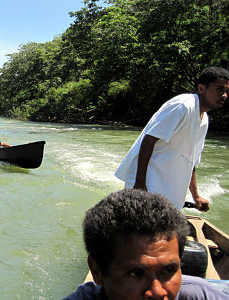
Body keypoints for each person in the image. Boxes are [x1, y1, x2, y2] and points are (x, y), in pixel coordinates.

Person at [64, 189, 228, 300]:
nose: (158, 292)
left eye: (169, 271)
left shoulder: (201, 295)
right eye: (135, 274)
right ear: (97, 271)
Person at [115, 66, 229, 211]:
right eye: (219, 89)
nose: (224, 95)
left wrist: (196, 196)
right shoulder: (183, 106)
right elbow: (148, 141)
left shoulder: (204, 119)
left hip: (170, 193)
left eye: (226, 91)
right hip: (148, 187)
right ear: (201, 88)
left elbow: (191, 159)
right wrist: (139, 185)